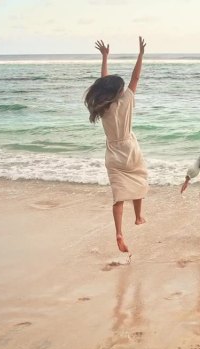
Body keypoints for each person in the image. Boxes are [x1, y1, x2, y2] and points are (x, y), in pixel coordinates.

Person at [84, 37, 148, 253]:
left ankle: (119, 232)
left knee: (118, 196)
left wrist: (104, 57)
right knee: (139, 179)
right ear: (120, 91)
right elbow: (136, 77)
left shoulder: (103, 107)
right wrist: (140, 54)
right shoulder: (127, 99)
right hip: (130, 149)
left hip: (113, 153)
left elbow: (104, 80)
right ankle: (139, 216)